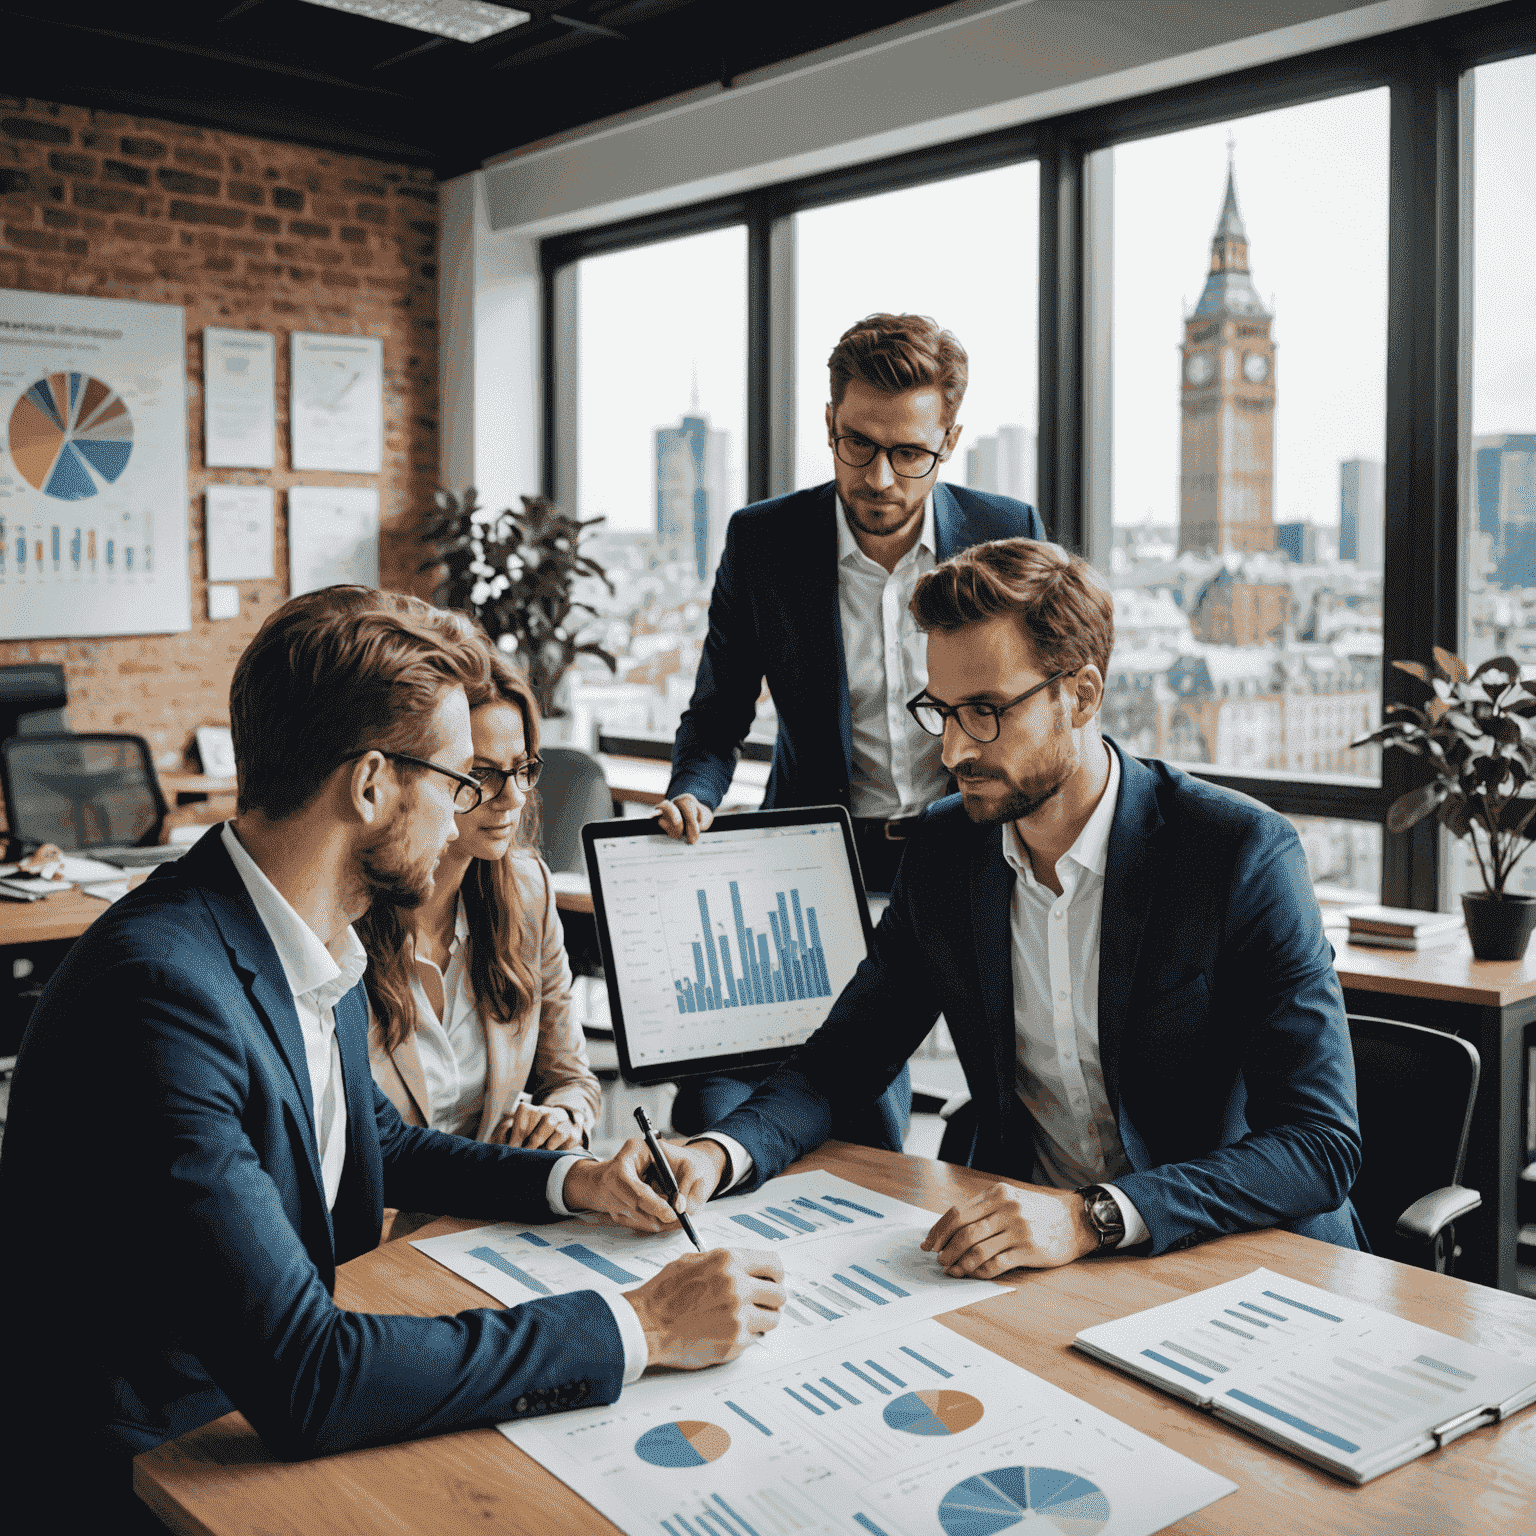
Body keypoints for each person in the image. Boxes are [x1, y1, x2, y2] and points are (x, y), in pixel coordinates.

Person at [0, 586, 782, 1534]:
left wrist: (576, 1181)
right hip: (155, 1472)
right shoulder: (162, 991)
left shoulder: (301, 935)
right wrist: (640, 1328)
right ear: (371, 784)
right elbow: (308, 1377)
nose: (465, 821)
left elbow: (376, 1140)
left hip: (243, 1418)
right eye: (456, 781)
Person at [651, 538, 1365, 1273]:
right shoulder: (945, 852)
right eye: (942, 711)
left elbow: (1318, 1142)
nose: (955, 751)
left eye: (987, 711)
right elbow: (840, 1065)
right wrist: (718, 1152)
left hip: (1231, 1251)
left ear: (1081, 695)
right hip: (1027, 1251)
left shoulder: (1238, 854)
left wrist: (1093, 1217)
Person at [657, 313, 1046, 1143]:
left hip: (965, 846)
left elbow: (1041, 708)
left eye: (910, 454)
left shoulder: (1007, 531)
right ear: (828, 425)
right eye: (856, 445)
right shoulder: (764, 541)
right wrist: (693, 794)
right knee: (843, 1096)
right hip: (816, 855)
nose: (879, 478)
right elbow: (718, 713)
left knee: (1011, 1093)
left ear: (950, 439)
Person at [361, 638, 601, 1179]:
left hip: (496, 1215)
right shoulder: (348, 913)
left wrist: (562, 1118)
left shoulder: (528, 890)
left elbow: (572, 1077)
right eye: (482, 775)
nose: (512, 797)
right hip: (379, 1231)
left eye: (521, 769)